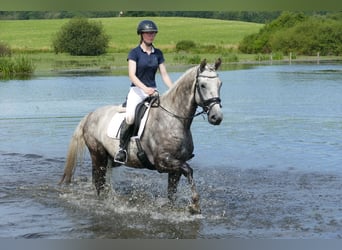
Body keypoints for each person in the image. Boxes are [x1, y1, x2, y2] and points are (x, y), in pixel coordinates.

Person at [114, 20, 173, 163]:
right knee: (130, 117)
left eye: (153, 33)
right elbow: (132, 75)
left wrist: (173, 89)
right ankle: (122, 149)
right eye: (148, 33)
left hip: (153, 91)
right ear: (141, 34)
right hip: (137, 91)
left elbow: (164, 74)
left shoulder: (158, 53)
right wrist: (145, 89)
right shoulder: (134, 53)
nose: (151, 35)